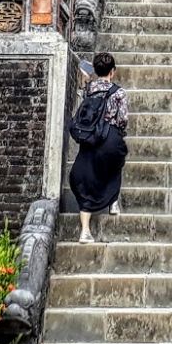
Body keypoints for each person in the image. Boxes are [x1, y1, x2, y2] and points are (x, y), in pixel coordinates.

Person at [68, 52, 127, 243]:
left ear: (96, 69)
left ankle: (85, 231)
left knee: (86, 177)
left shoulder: (89, 89)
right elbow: (123, 119)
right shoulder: (119, 92)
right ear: (113, 71)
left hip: (90, 137)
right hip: (110, 136)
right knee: (114, 165)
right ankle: (113, 202)